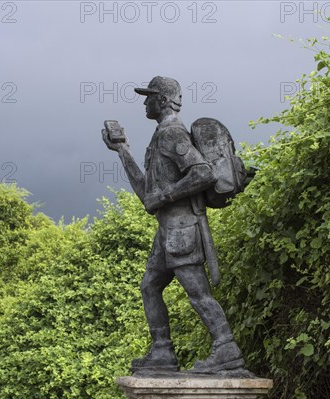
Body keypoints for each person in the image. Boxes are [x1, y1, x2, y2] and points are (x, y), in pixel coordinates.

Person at [101, 76, 244, 374]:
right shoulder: (160, 137)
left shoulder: (172, 134)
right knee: (150, 287)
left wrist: (166, 196)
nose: (145, 102)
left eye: (149, 96)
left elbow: (203, 173)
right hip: (167, 231)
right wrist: (123, 151)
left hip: (182, 230)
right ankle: (162, 351)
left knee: (197, 293)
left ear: (163, 100)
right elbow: (147, 195)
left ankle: (226, 348)